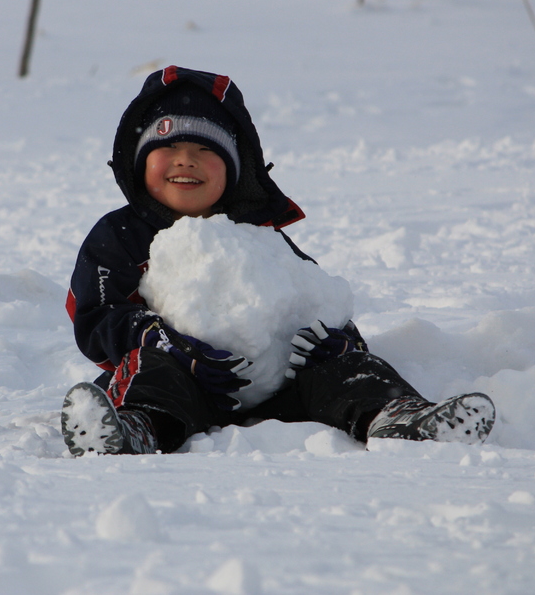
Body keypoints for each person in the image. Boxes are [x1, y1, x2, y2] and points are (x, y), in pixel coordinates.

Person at [61, 65, 495, 456]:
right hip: (182, 381)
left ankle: (400, 419)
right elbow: (97, 315)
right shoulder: (120, 235)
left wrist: (340, 341)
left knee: (348, 367)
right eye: (167, 144)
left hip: (278, 391)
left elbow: (315, 300)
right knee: (151, 372)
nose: (185, 159)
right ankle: (134, 430)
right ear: (137, 162)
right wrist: (160, 339)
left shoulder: (259, 236)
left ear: (234, 169)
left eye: (205, 149)